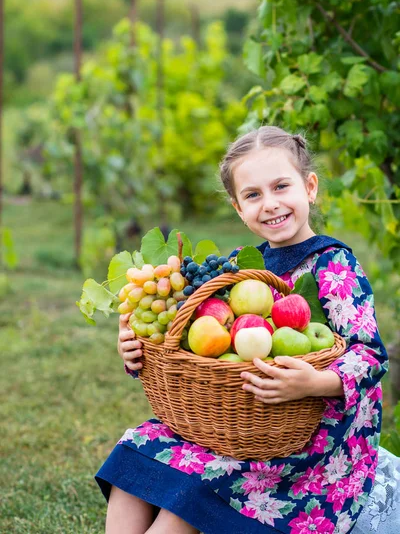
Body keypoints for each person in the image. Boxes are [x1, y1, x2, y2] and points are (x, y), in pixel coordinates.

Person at [96, 126, 400, 534]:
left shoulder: (333, 265)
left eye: (281, 186)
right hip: (231, 422)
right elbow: (192, 342)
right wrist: (138, 351)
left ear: (309, 187)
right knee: (137, 455)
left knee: (187, 499)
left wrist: (315, 381)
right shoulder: (240, 266)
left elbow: (369, 354)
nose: (270, 204)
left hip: (308, 439)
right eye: (253, 195)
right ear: (239, 209)